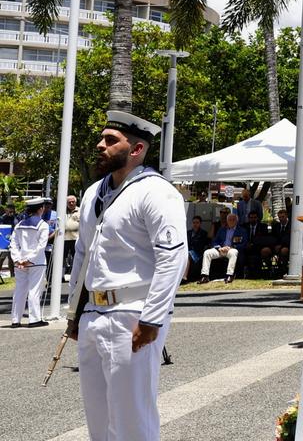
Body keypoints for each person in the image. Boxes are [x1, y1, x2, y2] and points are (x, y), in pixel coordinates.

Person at [67, 110, 186, 441]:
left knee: (133, 417)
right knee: (99, 420)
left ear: (136, 149)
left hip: (132, 314)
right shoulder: (94, 193)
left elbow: (172, 257)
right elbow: (83, 253)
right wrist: (74, 312)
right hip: (93, 312)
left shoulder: (156, 192)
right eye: (102, 138)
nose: (100, 145)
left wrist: (152, 319)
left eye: (110, 140)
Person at [9, 197, 51, 327]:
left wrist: (17, 259)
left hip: (20, 262)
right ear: (41, 209)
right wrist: (29, 260)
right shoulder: (43, 225)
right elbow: (41, 246)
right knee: (34, 290)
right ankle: (34, 319)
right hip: (36, 262)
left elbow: (13, 244)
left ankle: (15, 320)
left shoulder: (19, 225)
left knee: (19, 290)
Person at [199, 213, 246, 284]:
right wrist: (219, 248)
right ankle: (205, 276)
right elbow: (215, 241)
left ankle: (230, 275)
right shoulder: (222, 229)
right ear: (227, 221)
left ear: (236, 221)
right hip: (221, 249)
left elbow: (244, 243)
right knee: (207, 253)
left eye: (233, 220)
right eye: (230, 220)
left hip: (231, 249)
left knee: (234, 252)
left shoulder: (242, 230)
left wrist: (230, 248)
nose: (231, 221)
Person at [185, 216, 211, 282]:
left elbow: (202, 245)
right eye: (194, 222)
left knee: (188, 254)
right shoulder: (188, 233)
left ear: (200, 223)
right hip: (188, 251)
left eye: (197, 222)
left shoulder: (203, 233)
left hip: (197, 253)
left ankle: (184, 276)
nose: (195, 224)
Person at [63, 195, 80, 278]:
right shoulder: (62, 210)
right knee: (62, 258)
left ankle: (77, 277)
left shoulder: (80, 211)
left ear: (75, 202)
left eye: (73, 201)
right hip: (64, 239)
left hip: (76, 238)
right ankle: (60, 276)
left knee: (76, 258)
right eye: (69, 202)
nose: (71, 203)